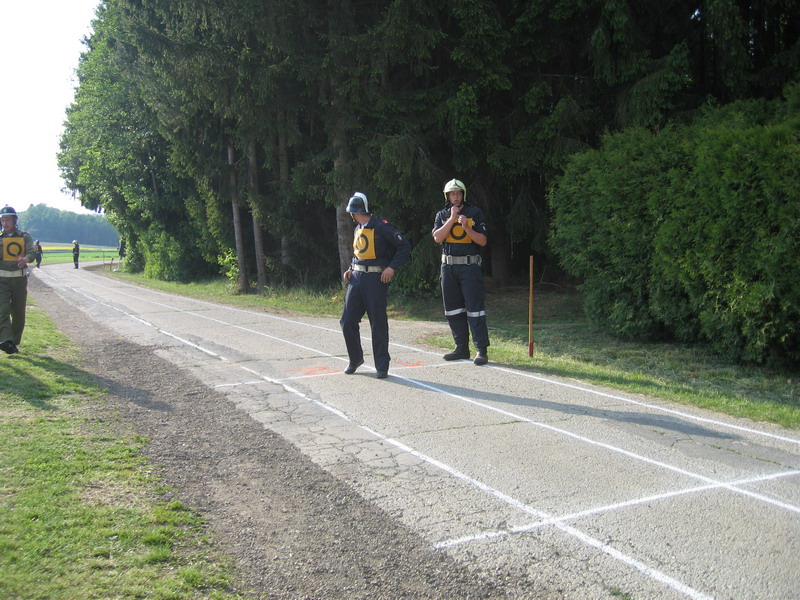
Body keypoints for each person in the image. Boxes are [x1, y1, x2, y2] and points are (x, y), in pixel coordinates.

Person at [340, 192, 411, 379]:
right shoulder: (358, 228)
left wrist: (392, 267)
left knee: (377, 323)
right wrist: (351, 268)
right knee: (347, 321)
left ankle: (382, 365)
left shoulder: (381, 226)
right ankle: (355, 359)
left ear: (356, 212)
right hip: (356, 279)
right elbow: (358, 252)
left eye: (351, 212)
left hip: (375, 280)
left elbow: (404, 246)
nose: (351, 216)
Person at [432, 178, 490, 365]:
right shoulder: (442, 215)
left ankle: (481, 350)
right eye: (452, 194)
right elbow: (437, 237)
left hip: (469, 267)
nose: (455, 197)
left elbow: (482, 241)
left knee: (475, 309)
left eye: (458, 194)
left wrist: (466, 227)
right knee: (453, 310)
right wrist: (451, 219)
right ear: (447, 197)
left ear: (463, 195)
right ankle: (461, 348)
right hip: (448, 268)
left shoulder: (475, 213)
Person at [0, 205, 35, 354]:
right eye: (3, 220)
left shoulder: (24, 237)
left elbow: (32, 252)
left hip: (19, 280)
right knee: (2, 311)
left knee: (18, 314)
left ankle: (13, 342)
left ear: (15, 221)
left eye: (8, 220)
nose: (5, 223)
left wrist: (25, 259)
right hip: (2, 280)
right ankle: (5, 340)